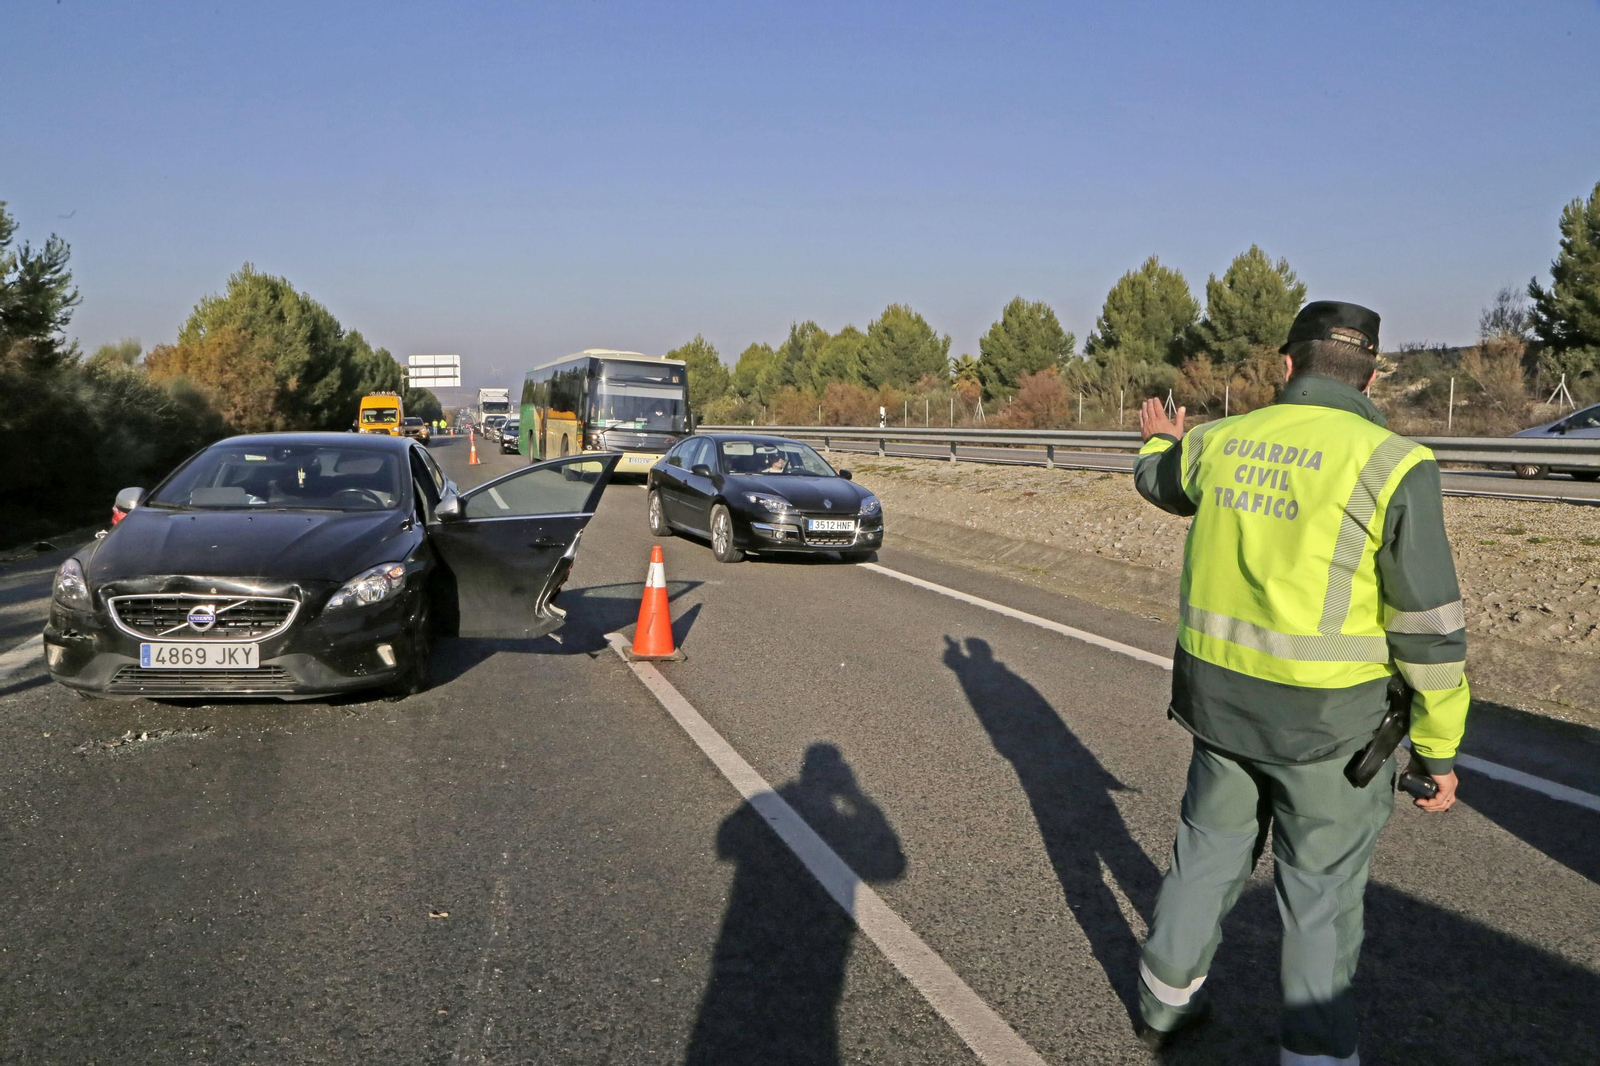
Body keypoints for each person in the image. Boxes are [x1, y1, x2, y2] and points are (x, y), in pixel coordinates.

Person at [1130, 301, 1469, 1064]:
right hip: (1331, 732)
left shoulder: (1219, 441)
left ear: (1287, 365)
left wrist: (1158, 438)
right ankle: (1315, 1054)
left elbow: (1159, 480)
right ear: (1373, 373)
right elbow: (1429, 631)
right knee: (1319, 895)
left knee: (1208, 853)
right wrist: (1438, 750)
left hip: (1219, 707)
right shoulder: (1394, 464)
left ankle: (1162, 1007)